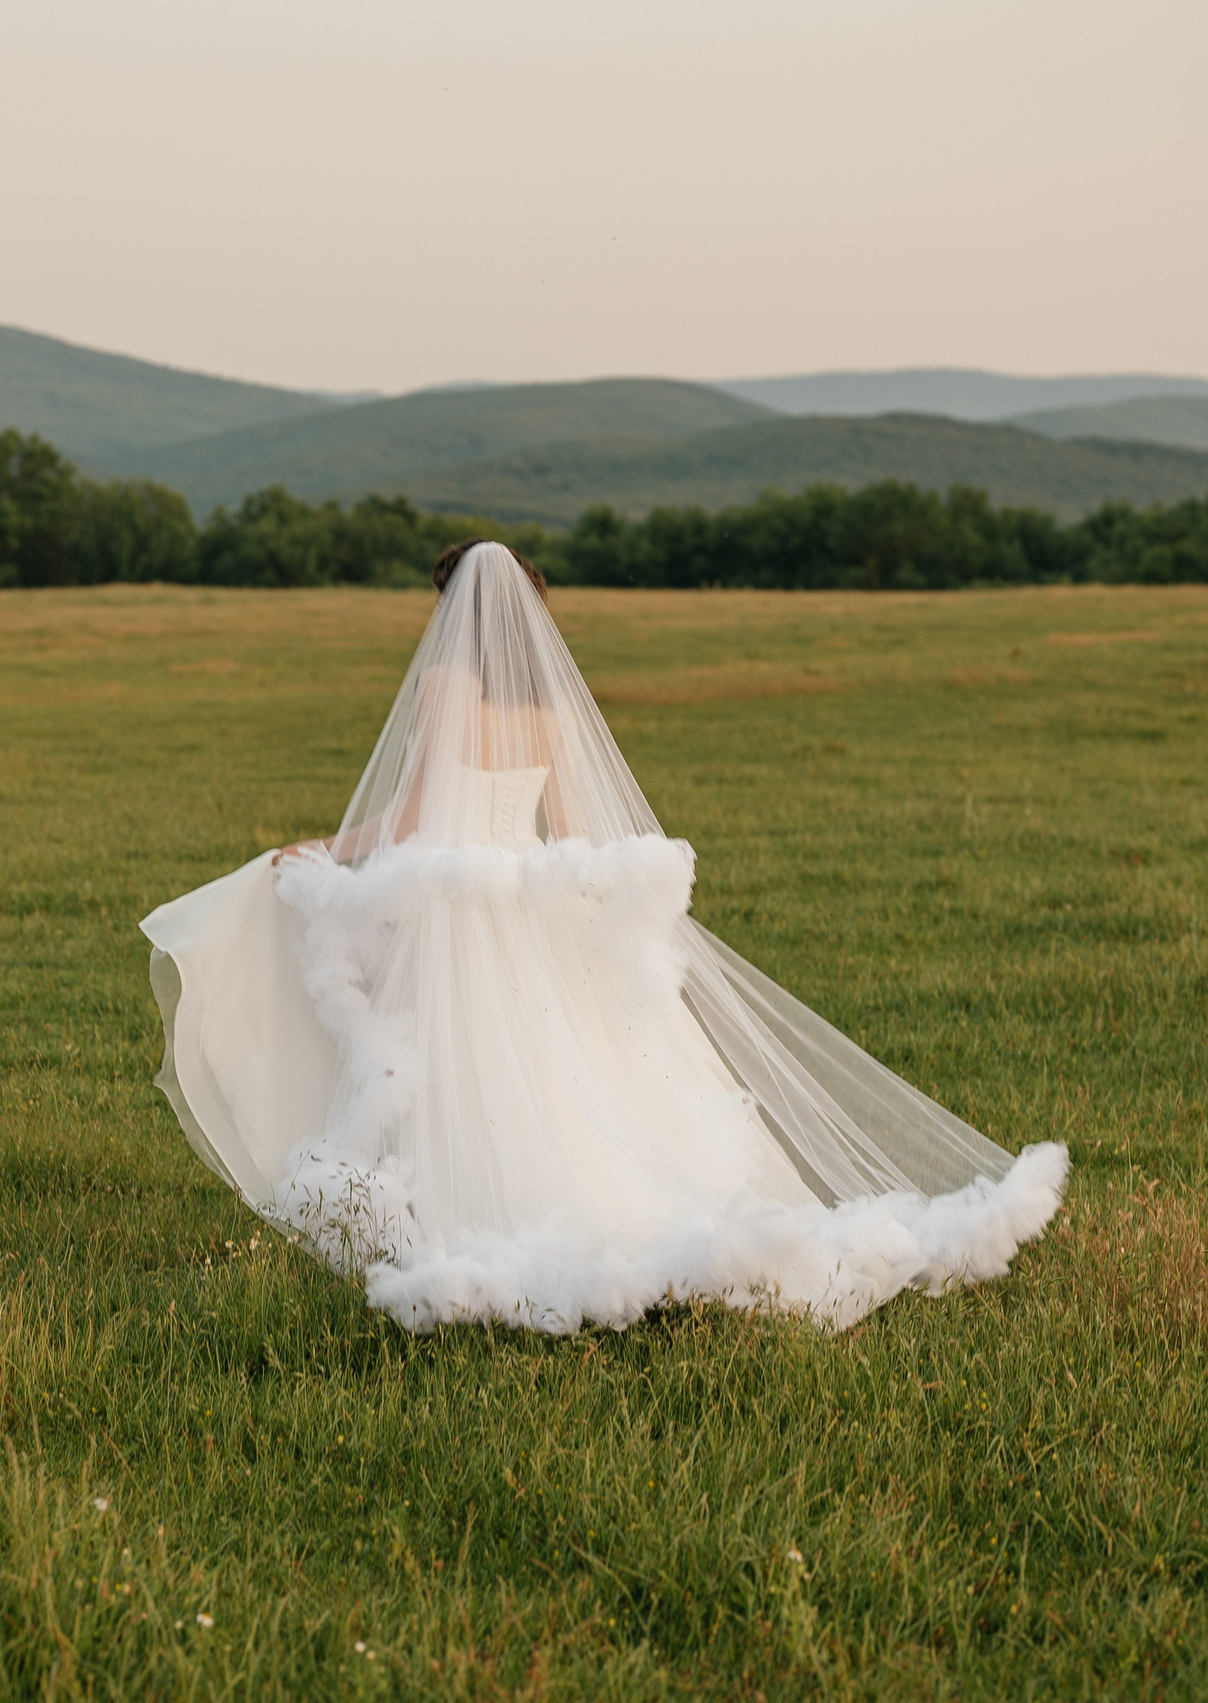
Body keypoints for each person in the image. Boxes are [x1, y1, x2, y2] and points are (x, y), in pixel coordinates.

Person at [141, 539, 1066, 1334]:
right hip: (527, 907)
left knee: (454, 1068)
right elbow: (581, 833)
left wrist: (309, 855)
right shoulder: (547, 704)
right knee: (565, 1070)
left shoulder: (437, 688)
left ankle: (465, 1214)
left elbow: (412, 819)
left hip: (459, 916)